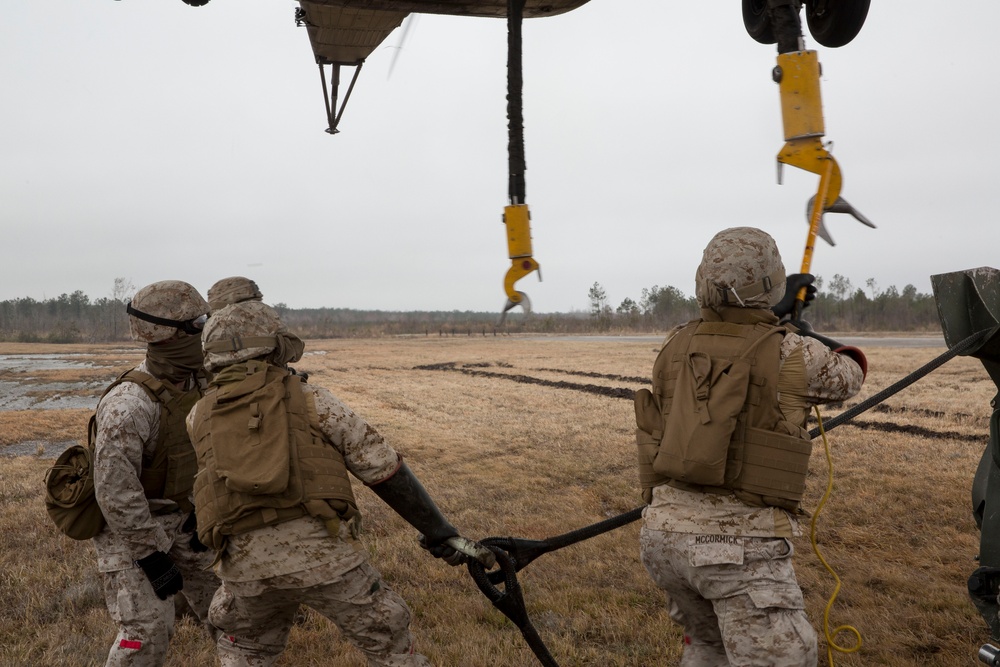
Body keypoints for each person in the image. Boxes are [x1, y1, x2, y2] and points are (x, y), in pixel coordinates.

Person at [186, 299, 479, 666]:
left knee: (245, 647)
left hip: (244, 567)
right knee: (388, 642)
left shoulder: (198, 415)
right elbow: (384, 471)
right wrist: (440, 531)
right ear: (274, 346)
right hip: (324, 557)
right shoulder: (311, 399)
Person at [634, 227, 867, 666]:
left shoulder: (673, 343)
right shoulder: (793, 351)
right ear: (771, 283)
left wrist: (773, 322)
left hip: (662, 542)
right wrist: (801, 330)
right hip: (736, 548)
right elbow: (851, 374)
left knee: (707, 649)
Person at [91, 280, 221, 666]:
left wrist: (204, 511)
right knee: (146, 633)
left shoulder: (201, 383)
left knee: (233, 611)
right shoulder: (128, 404)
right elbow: (115, 491)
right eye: (198, 324)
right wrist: (151, 557)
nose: (206, 332)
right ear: (168, 335)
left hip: (186, 517)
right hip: (131, 529)